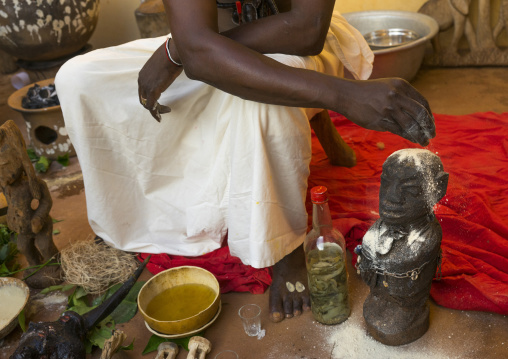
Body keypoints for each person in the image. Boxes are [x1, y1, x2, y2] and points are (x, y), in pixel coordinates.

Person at [55, 0, 435, 323]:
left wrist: (344, 93)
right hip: (205, 47)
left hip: (296, 41)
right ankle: (131, 214)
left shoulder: (281, 36)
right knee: (78, 78)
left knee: (260, 105)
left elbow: (307, 29)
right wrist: (187, 50)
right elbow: (197, 47)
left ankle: (283, 245)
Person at [357, 149, 448, 345]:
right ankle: (381, 299)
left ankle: (409, 311)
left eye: (410, 190)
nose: (392, 198)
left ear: (438, 189)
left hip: (407, 303)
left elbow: (410, 258)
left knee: (403, 282)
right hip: (380, 291)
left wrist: (387, 260)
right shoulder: (379, 228)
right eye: (386, 183)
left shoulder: (427, 234)